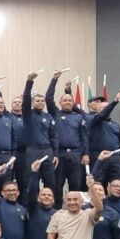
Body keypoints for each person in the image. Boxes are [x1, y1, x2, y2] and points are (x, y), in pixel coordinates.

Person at [46, 72, 87, 208]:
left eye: (70, 100)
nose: (68, 102)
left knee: (76, 185)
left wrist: (85, 153)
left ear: (73, 103)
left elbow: (83, 137)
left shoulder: (79, 117)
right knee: (57, 185)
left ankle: (75, 211)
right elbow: (48, 98)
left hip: (75, 155)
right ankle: (56, 211)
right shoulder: (55, 114)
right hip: (59, 154)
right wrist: (54, 80)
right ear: (60, 102)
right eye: (65, 100)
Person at [20, 72, 57, 193]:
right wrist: (29, 82)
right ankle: (32, 208)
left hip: (48, 151)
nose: (41, 102)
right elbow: (25, 99)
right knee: (32, 181)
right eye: (38, 101)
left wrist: (55, 154)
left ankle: (51, 209)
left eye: (42, 101)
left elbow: (54, 137)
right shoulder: (28, 114)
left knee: (50, 181)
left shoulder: (49, 117)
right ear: (32, 103)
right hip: (33, 150)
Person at [87, 91, 120, 186]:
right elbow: (102, 115)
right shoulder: (94, 121)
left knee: (117, 184)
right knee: (98, 184)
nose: (107, 110)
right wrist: (115, 101)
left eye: (107, 108)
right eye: (103, 108)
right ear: (97, 110)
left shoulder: (116, 125)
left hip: (115, 158)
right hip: (99, 157)